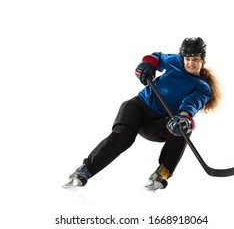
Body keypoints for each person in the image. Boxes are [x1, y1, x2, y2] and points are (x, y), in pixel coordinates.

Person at [63, 37, 221, 190]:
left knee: (183, 129)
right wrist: (148, 64)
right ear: (182, 57)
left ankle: (161, 175)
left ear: (202, 59)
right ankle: (84, 172)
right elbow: (157, 57)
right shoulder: (175, 62)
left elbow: (191, 103)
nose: (190, 62)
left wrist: (184, 118)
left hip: (157, 124)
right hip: (137, 108)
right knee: (122, 137)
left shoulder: (202, 87)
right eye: (187, 58)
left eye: (195, 59)